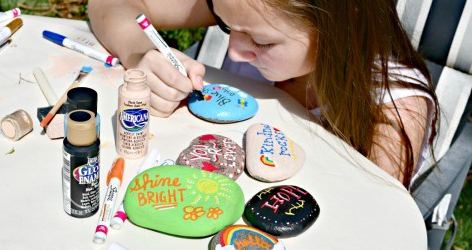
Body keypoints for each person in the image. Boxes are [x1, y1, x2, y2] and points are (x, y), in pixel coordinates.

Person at [88, 0, 439, 189]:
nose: (235, 52)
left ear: (339, 25)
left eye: (261, 41)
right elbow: (109, 3)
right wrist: (140, 54)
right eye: (226, 25)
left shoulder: (396, 109)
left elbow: (375, 224)